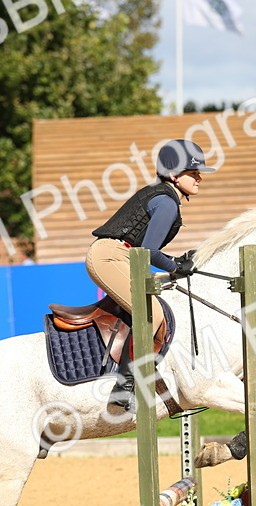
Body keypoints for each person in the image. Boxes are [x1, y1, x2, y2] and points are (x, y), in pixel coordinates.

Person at [86, 138, 216, 409]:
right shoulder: (166, 202)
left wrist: (175, 264)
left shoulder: (165, 197)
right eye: (193, 172)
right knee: (152, 315)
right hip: (111, 256)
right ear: (173, 174)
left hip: (122, 257)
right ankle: (124, 387)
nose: (200, 177)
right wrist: (175, 265)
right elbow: (149, 251)